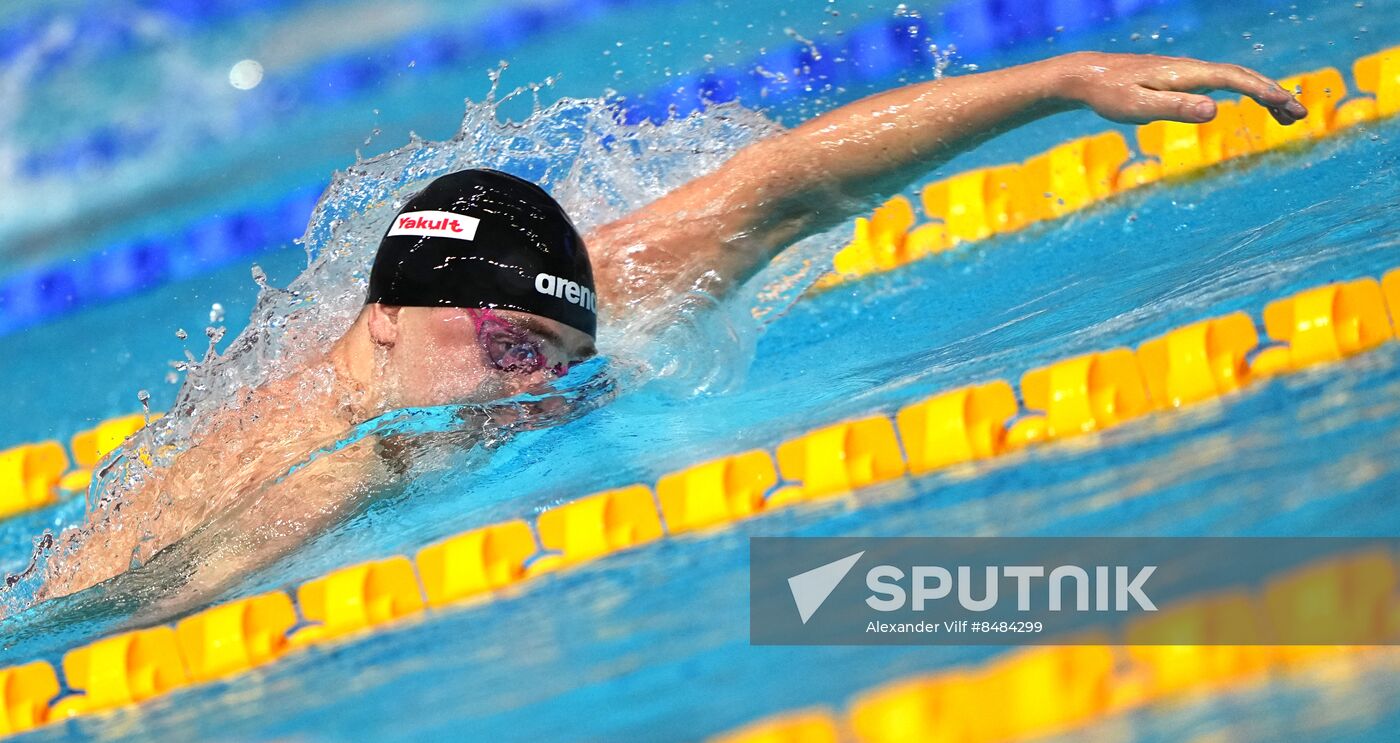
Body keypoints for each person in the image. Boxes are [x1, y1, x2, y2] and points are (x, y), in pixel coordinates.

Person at [37, 51, 1307, 603]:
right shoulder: (324, 453)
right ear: (378, 332)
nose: (532, 386)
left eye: (557, 354)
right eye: (509, 352)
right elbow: (146, 606)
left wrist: (1056, 82)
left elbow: (781, 186)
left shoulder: (546, 300)